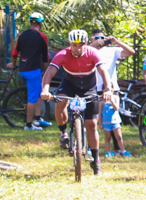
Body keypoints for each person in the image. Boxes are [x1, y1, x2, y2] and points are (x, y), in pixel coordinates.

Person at [39, 29, 111, 176]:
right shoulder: (63, 54)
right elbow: (49, 73)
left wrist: (107, 90)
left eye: (81, 45)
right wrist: (45, 90)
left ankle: (96, 161)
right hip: (70, 84)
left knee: (91, 125)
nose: (77, 49)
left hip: (89, 87)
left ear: (86, 43)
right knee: (60, 102)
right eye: (74, 45)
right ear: (70, 44)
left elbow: (104, 71)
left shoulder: (93, 53)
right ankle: (64, 134)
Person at [6, 11, 52, 130]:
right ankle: (29, 125)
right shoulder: (42, 36)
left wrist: (13, 64)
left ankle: (38, 118)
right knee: (32, 98)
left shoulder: (22, 35)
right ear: (41, 23)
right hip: (33, 70)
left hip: (23, 70)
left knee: (38, 92)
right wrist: (47, 71)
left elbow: (15, 53)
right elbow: (45, 57)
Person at [92, 31, 134, 158]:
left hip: (111, 88)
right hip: (95, 89)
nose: (101, 40)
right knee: (94, 119)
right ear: (91, 39)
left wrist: (117, 42)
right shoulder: (89, 51)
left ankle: (118, 149)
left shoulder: (112, 50)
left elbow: (131, 52)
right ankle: (92, 148)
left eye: (103, 37)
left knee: (113, 118)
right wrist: (94, 45)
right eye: (97, 38)